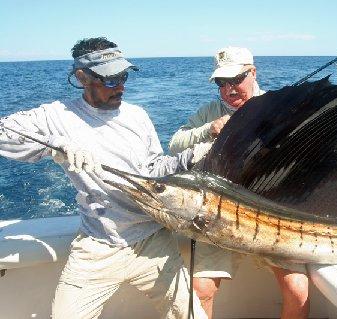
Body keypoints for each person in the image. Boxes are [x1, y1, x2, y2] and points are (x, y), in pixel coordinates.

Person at [0, 37, 207, 319]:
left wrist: (190, 158)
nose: (120, 86)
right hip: (98, 248)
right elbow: (4, 132)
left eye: (123, 76)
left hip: (154, 241)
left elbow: (153, 169)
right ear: (83, 78)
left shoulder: (137, 116)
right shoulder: (56, 115)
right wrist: (54, 144)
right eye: (110, 80)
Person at [169, 46, 311, 319]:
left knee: (297, 289)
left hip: (271, 215)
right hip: (218, 215)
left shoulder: (277, 107)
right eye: (222, 83)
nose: (229, 90)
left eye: (236, 80)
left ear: (253, 72)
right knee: (200, 290)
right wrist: (209, 129)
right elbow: (174, 145)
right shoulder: (210, 112)